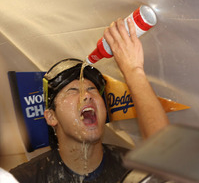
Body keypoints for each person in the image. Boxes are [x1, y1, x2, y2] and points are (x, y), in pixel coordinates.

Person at [10, 17, 169, 182]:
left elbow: (169, 164)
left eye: (92, 89)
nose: (87, 95)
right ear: (51, 116)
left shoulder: (133, 169)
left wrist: (134, 71)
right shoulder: (23, 179)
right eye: (73, 90)